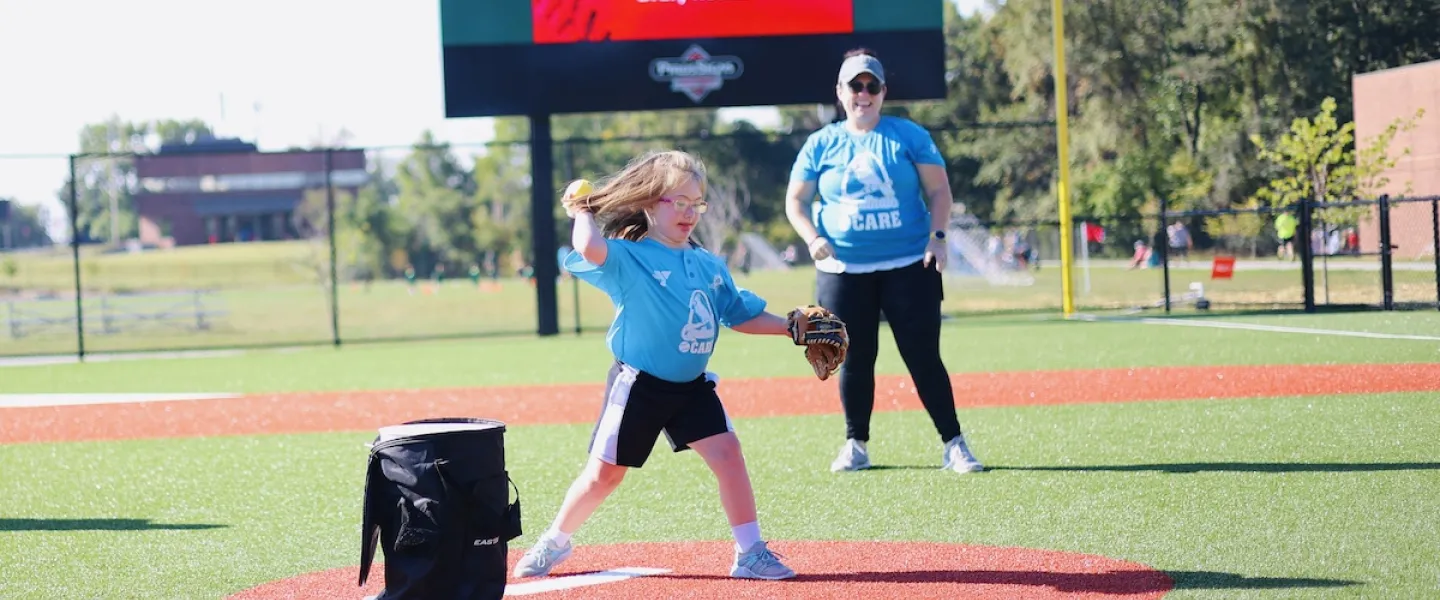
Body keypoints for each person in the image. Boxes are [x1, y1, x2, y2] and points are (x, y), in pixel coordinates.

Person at [512, 150, 799, 581]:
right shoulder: (632, 258)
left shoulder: (707, 264)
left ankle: (750, 552)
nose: (688, 213)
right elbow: (588, 247)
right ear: (649, 204)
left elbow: (739, 314)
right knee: (604, 477)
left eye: (695, 203)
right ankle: (553, 542)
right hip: (639, 386)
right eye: (676, 202)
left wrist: (792, 328)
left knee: (728, 453)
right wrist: (580, 210)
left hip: (691, 387)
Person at [783, 49, 984, 475]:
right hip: (842, 270)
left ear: (883, 92)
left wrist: (939, 238)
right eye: (855, 85)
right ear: (840, 92)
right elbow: (795, 201)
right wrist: (813, 238)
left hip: (910, 263)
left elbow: (940, 192)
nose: (863, 93)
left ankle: (955, 444)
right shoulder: (821, 143)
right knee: (854, 356)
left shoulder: (908, 136)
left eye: (871, 85)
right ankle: (856, 444)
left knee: (923, 356)